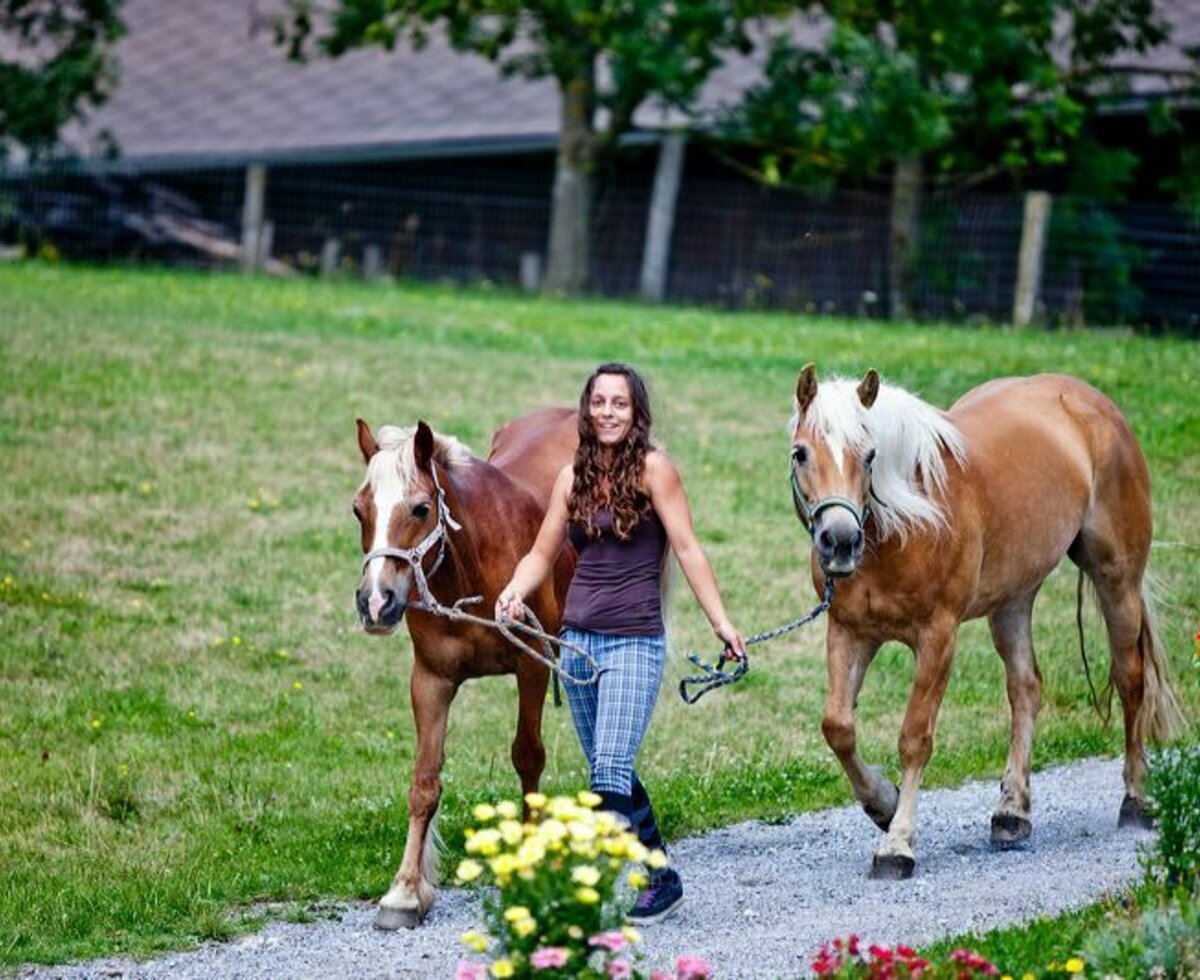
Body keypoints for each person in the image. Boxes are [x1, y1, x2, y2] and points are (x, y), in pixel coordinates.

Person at [496, 362, 745, 924]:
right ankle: (661, 878)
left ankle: (584, 894)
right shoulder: (571, 478)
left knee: (607, 769)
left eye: (619, 404)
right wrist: (513, 592)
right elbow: (540, 554)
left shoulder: (656, 471)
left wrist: (721, 624)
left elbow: (688, 550)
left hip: (634, 641)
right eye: (599, 402)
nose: (607, 412)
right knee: (613, 769)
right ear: (587, 410)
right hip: (577, 644)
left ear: (636, 413)